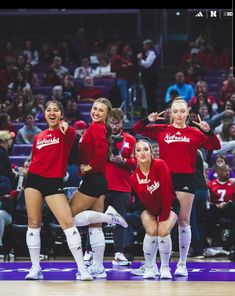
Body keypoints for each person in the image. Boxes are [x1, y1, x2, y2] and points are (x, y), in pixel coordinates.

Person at [132, 97, 221, 276]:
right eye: (175, 111)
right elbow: (137, 130)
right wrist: (147, 120)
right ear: (170, 113)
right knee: (160, 223)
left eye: (182, 111)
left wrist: (209, 131)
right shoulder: (162, 129)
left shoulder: (194, 133)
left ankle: (182, 264)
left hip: (186, 180)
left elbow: (215, 145)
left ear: (187, 113)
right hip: (163, 178)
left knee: (183, 221)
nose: (179, 114)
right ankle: (154, 265)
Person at [23, 100, 93, 281]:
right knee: (33, 221)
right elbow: (36, 158)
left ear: (61, 114)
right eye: (48, 110)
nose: (52, 113)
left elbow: (73, 138)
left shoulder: (66, 132)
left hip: (54, 182)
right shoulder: (38, 136)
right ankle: (35, 268)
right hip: (34, 180)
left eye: (55, 110)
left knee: (67, 223)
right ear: (44, 113)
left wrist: (67, 127)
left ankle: (82, 269)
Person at [69, 98, 128, 279]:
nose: (96, 112)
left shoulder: (96, 127)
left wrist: (89, 167)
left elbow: (102, 150)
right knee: (95, 228)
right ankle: (99, 267)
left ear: (107, 114)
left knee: (67, 217)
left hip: (93, 180)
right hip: (99, 180)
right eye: (94, 109)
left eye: (101, 110)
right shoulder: (98, 127)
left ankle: (109, 217)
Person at [129, 139, 180, 279]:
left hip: (169, 203)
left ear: (151, 152)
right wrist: (154, 215)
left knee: (162, 231)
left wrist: (162, 217)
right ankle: (150, 267)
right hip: (149, 207)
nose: (142, 153)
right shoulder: (134, 178)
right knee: (151, 231)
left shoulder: (159, 165)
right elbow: (144, 201)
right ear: (134, 156)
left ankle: (165, 267)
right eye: (138, 150)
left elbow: (166, 192)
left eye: (146, 149)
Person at [137, 39, 159, 113]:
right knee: (149, 96)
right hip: (148, 77)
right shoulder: (147, 54)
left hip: (151, 77)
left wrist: (140, 59)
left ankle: (153, 112)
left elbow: (147, 65)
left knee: (151, 96)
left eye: (144, 45)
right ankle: (151, 112)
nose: (143, 47)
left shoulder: (152, 53)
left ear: (148, 45)